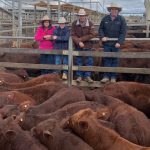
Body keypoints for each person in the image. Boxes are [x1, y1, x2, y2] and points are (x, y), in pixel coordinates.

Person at [99, 3, 127, 83]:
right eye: (112, 9)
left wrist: (119, 42)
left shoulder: (121, 19)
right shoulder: (105, 19)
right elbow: (100, 29)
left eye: (116, 9)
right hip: (107, 43)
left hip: (116, 44)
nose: (114, 11)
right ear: (110, 10)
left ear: (118, 11)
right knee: (107, 59)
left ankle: (113, 77)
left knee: (115, 60)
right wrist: (102, 36)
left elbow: (123, 32)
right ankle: (106, 76)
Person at [71, 9, 96, 83]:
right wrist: (78, 42)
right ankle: (79, 76)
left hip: (88, 45)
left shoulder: (90, 24)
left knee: (89, 61)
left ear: (85, 16)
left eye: (83, 16)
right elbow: (72, 34)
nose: (81, 17)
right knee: (79, 60)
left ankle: (87, 76)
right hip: (78, 45)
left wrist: (81, 39)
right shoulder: (74, 23)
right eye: (80, 16)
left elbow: (92, 34)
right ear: (78, 16)